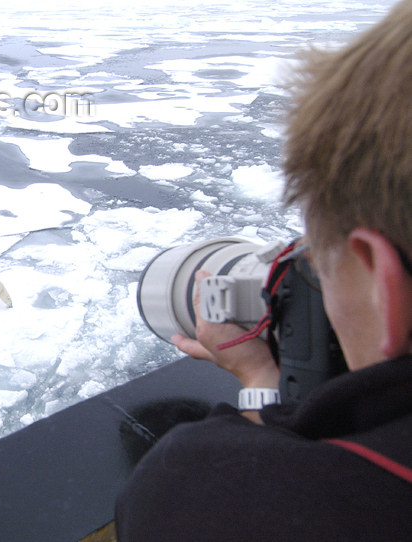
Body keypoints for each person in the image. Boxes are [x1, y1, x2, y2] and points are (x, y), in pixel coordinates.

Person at [115, 1, 412, 540]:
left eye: (319, 257)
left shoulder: (213, 496)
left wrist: (260, 380)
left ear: (381, 284)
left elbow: (259, 487)